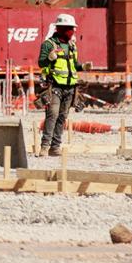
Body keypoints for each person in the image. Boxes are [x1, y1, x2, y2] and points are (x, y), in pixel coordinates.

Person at [36, 13, 81, 156]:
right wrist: (49, 58)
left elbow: (73, 65)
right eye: (69, 28)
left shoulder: (72, 45)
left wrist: (82, 67)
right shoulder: (48, 44)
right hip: (54, 86)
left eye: (72, 28)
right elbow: (41, 63)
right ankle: (44, 147)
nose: (71, 31)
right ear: (60, 29)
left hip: (70, 87)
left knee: (62, 117)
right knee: (52, 115)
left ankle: (55, 147)